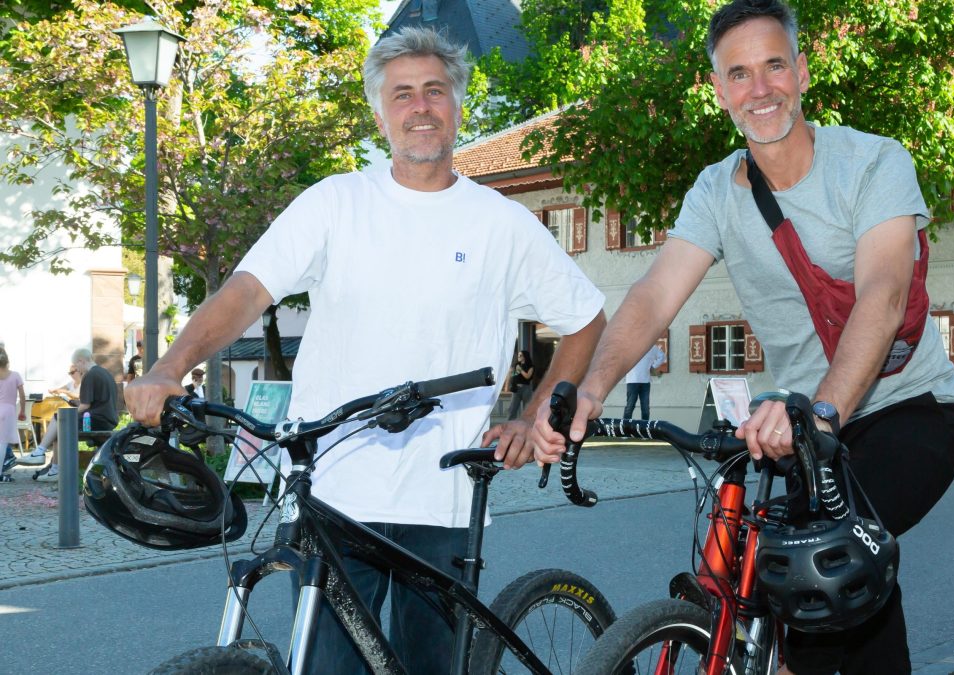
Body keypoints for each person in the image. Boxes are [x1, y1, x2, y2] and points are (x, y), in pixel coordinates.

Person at [124, 27, 606, 675]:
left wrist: (537, 413)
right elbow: (245, 291)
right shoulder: (335, 204)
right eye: (402, 94)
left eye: (434, 90)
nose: (420, 106)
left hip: (443, 499)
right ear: (380, 114)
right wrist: (168, 366)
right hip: (333, 494)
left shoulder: (501, 224)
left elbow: (585, 316)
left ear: (457, 104)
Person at [538, 2, 954, 673]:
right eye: (739, 74)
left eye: (774, 66)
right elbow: (653, 294)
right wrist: (591, 388)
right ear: (719, 91)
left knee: (831, 562)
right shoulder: (714, 192)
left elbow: (882, 297)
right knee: (799, 592)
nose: (760, 88)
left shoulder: (873, 163)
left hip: (909, 410)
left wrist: (822, 412)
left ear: (800, 72)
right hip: (802, 429)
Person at [19, 348, 119, 477]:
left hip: (96, 420)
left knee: (59, 418)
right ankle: (54, 470)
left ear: (81, 361)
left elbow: (85, 405)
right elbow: (96, 402)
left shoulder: (89, 374)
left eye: (76, 367)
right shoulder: (104, 373)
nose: (77, 370)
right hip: (107, 419)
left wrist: (69, 413)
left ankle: (40, 452)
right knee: (59, 428)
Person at [0, 347, 28, 481]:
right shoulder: (15, 375)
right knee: (2, 443)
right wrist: (22, 411)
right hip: (9, 410)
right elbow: (22, 396)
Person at [622, 343, 666, 420]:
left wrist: (653, 366)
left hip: (644, 381)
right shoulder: (629, 346)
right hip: (633, 380)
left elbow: (662, 356)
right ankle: (625, 429)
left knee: (644, 408)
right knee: (631, 407)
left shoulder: (651, 346)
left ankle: (645, 429)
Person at [506, 349, 534, 419]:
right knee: (512, 409)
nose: (519, 357)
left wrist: (520, 370)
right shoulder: (516, 365)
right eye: (518, 355)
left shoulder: (530, 367)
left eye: (521, 355)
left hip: (526, 389)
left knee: (527, 409)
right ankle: (510, 426)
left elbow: (527, 376)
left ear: (525, 356)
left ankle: (526, 426)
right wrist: (506, 386)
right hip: (516, 389)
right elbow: (510, 375)